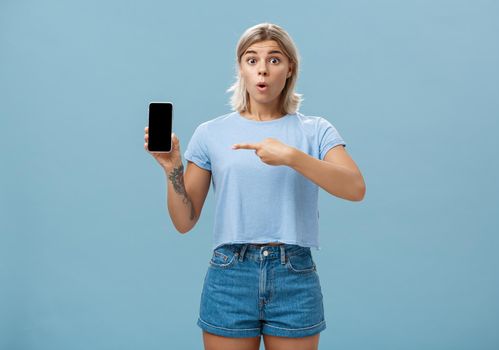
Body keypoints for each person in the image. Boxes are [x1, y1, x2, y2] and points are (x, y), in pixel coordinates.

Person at [144, 22, 365, 350]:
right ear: (241, 69)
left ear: (290, 68)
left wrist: (292, 156)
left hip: (294, 273)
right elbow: (184, 221)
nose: (263, 69)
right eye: (252, 60)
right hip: (230, 273)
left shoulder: (315, 130)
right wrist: (172, 169)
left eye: (274, 60)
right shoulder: (211, 133)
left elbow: (354, 188)